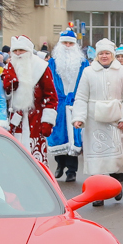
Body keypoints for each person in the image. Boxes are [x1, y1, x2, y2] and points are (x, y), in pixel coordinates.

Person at [71, 38, 123, 205]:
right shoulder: (88, 72)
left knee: (115, 160)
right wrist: (79, 117)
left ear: (112, 54)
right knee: (97, 160)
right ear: (96, 55)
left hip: (115, 120)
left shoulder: (121, 71)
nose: (104, 56)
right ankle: (98, 194)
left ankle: (115, 188)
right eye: (101, 53)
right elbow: (81, 97)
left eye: (107, 53)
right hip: (95, 121)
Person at [1, 35, 58, 162]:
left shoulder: (41, 67)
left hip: (36, 119)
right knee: (14, 157)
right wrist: (8, 85)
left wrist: (47, 121)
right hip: (15, 119)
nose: (18, 54)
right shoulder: (9, 67)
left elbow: (51, 96)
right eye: (15, 51)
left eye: (21, 50)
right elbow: (3, 96)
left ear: (29, 51)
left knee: (35, 158)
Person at [48, 28, 90, 182]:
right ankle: (60, 164)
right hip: (58, 104)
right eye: (64, 42)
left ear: (75, 46)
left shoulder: (83, 63)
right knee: (58, 136)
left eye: (70, 43)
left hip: (75, 103)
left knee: (75, 137)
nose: (67, 46)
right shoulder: (52, 63)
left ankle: (72, 170)